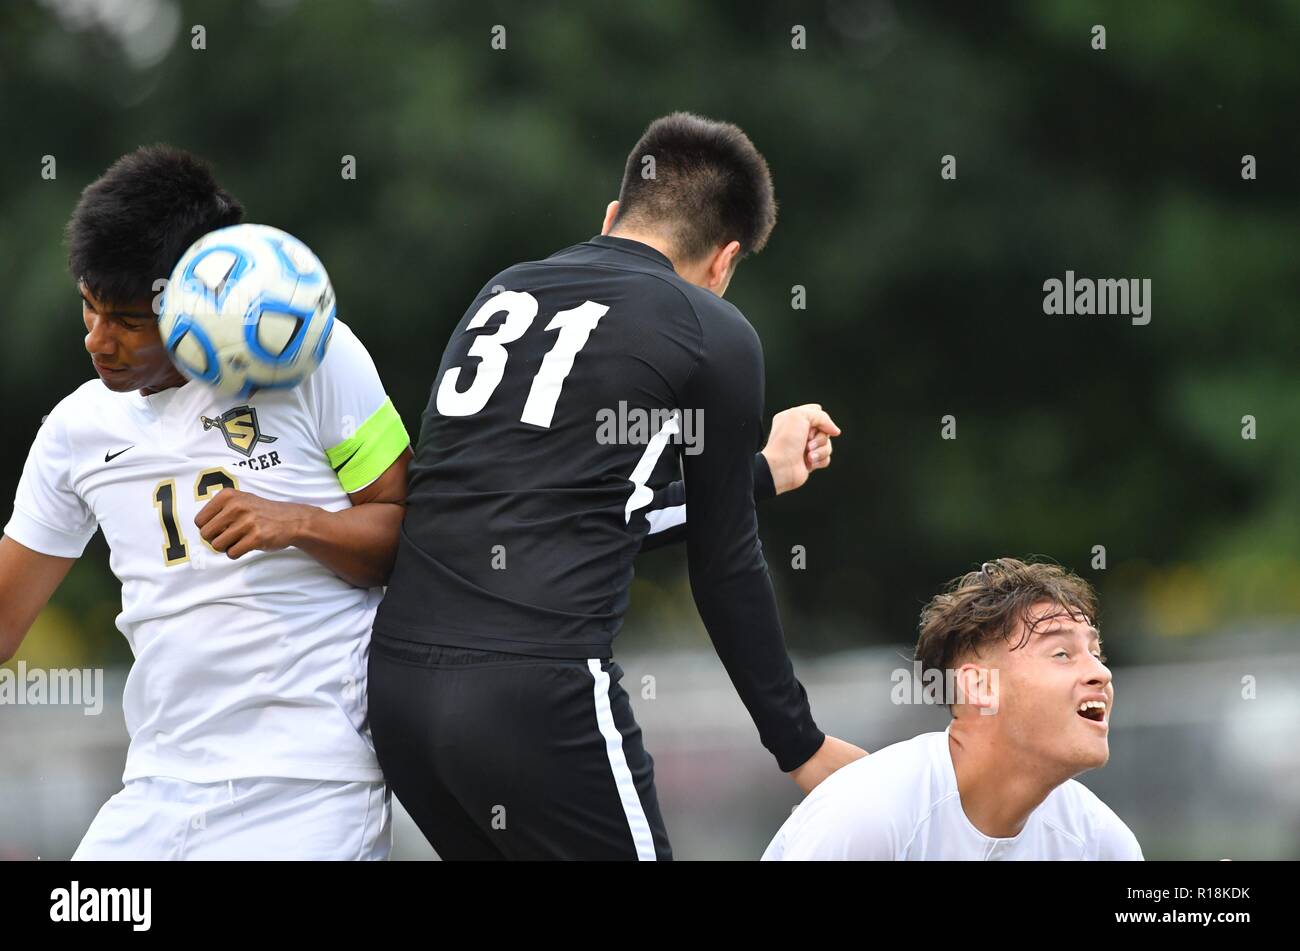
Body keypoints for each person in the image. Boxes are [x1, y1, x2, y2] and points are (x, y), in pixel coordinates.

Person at [370, 112, 866, 860]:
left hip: (400, 692)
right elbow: (726, 562)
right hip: (534, 695)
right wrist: (799, 743)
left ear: (613, 216)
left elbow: (578, 512)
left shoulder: (504, 290)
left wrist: (757, 469)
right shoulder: (714, 328)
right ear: (725, 262)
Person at [0, 146, 411, 859]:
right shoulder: (75, 430)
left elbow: (408, 538)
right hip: (157, 786)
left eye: (126, 319)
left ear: (195, 298)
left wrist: (298, 523)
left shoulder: (316, 357)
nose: (97, 340)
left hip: (309, 785)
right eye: (89, 306)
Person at [762, 558, 1143, 860]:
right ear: (978, 686)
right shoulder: (868, 817)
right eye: (1062, 654)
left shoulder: (1100, 844)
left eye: (1096, 653)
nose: (1101, 673)